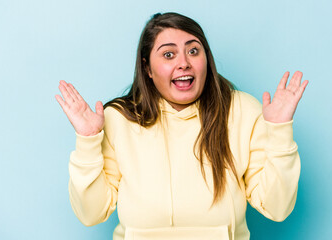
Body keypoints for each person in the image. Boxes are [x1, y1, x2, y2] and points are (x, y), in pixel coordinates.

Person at [55, 12, 308, 240]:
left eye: (193, 51)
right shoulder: (119, 118)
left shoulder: (242, 111)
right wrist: (88, 140)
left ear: (206, 60)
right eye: (168, 54)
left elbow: (277, 208)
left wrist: (279, 129)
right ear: (148, 68)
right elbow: (90, 214)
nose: (184, 62)